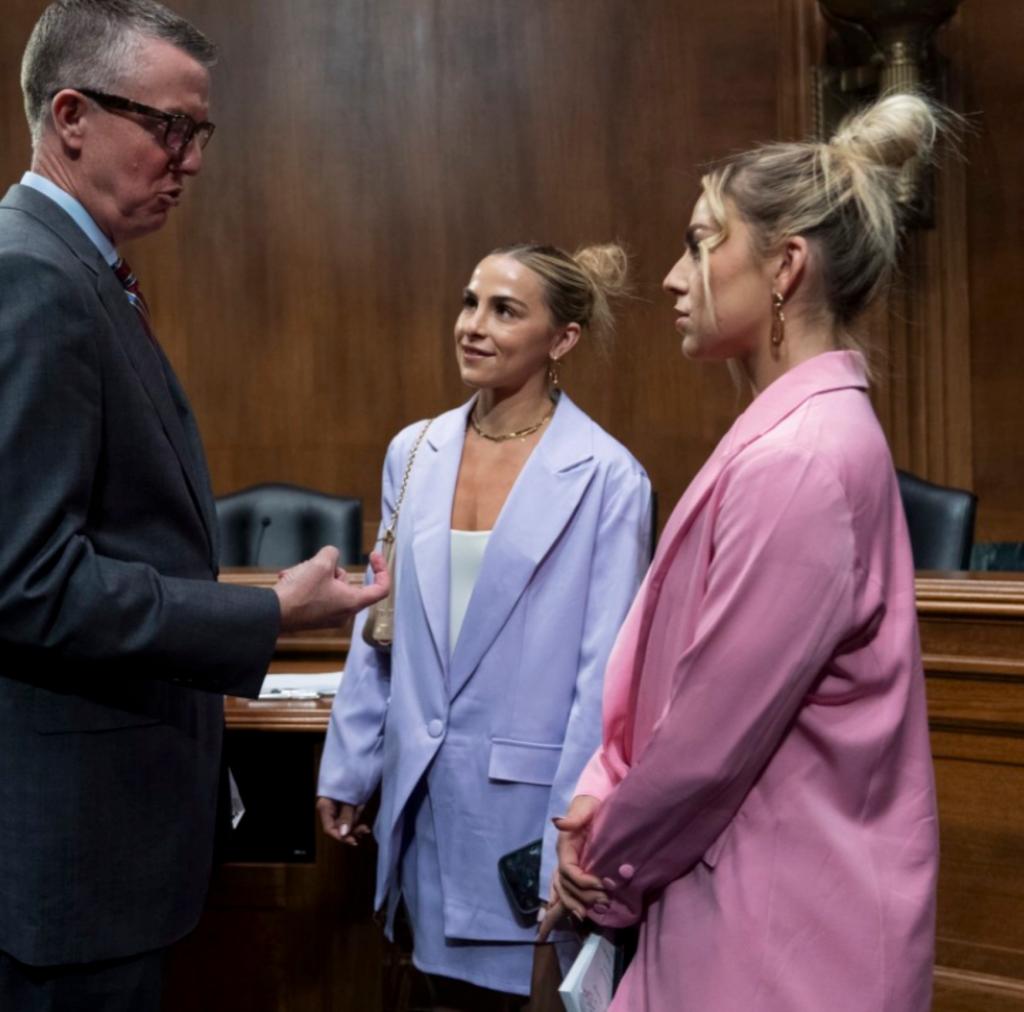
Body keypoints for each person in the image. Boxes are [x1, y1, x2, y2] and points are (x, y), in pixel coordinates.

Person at [0, 2, 388, 1009]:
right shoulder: (32, 277)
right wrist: (268, 612)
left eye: (199, 132)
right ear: (72, 115)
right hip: (70, 860)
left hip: (104, 849)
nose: (192, 159)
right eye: (169, 127)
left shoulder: (77, 268)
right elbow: (27, 582)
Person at [544, 93, 946, 1011]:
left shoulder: (802, 457)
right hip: (760, 901)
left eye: (700, 243)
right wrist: (601, 791)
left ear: (784, 267)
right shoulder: (799, 436)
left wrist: (601, 860)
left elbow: (708, 742)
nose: (677, 280)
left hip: (780, 934)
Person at [317, 242, 651, 1009]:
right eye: (470, 302)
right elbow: (382, 626)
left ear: (561, 340)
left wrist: (573, 834)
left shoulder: (608, 477)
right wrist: (349, 764)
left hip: (524, 819)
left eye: (504, 310)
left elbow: (603, 682)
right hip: (419, 805)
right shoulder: (416, 449)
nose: (472, 325)